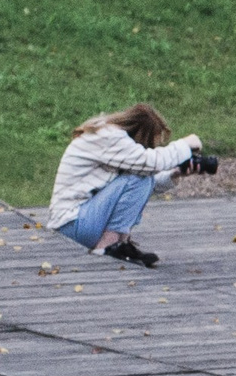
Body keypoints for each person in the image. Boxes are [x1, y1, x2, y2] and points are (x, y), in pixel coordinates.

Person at [46, 103, 215, 268]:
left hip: (77, 224)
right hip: (70, 225)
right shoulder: (108, 137)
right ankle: (108, 246)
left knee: (142, 177)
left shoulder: (110, 140)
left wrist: (176, 173)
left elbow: (139, 189)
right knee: (141, 175)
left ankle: (118, 244)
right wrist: (185, 144)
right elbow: (150, 164)